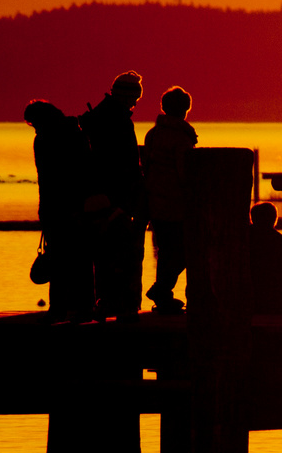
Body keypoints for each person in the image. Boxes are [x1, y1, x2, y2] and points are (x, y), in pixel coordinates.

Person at [80, 72, 148, 319]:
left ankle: (106, 301)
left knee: (104, 253)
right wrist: (131, 195)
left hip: (97, 193)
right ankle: (118, 303)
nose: (135, 103)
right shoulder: (119, 120)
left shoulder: (97, 116)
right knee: (119, 252)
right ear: (129, 95)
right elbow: (125, 162)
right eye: (135, 98)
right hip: (114, 196)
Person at [25, 99, 96, 322]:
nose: (34, 128)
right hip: (63, 206)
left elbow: (58, 178)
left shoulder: (49, 139)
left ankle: (63, 307)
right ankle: (79, 306)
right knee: (77, 258)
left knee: (66, 258)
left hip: (62, 206)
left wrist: (51, 208)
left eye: (34, 123)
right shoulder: (75, 134)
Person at [143, 86, 197, 314]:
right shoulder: (181, 137)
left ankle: (163, 294)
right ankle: (161, 289)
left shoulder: (153, 134)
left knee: (166, 250)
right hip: (176, 203)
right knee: (184, 250)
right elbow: (185, 171)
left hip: (155, 202)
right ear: (185, 110)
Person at [249, 201, 282, 316]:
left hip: (251, 291)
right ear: (274, 219)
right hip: (275, 292)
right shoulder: (281, 241)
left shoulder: (245, 239)